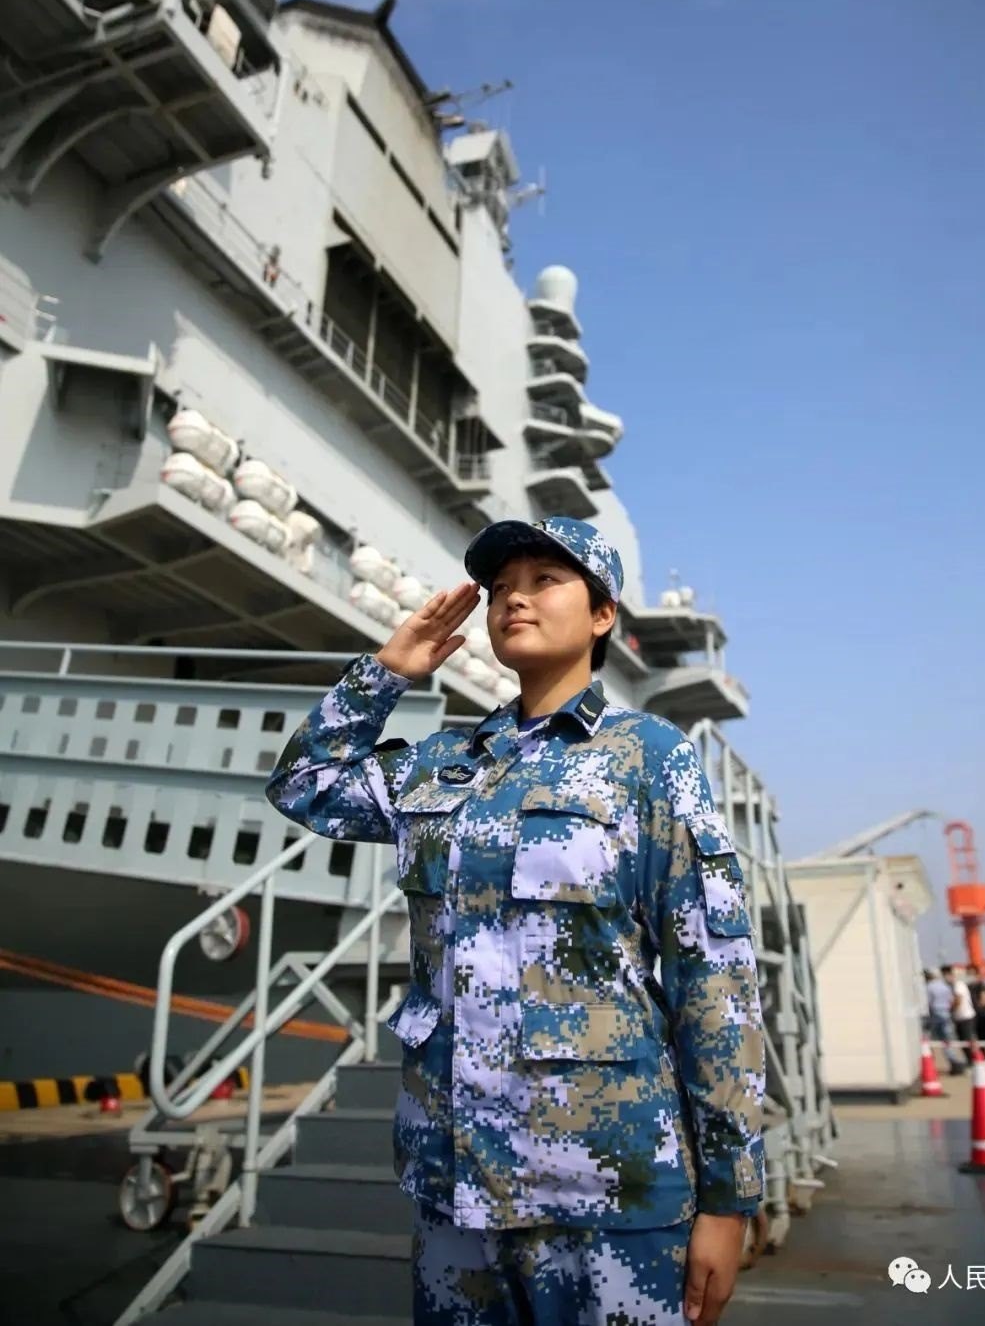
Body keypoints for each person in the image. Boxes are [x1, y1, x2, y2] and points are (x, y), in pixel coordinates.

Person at [265, 515, 765, 1326]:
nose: (514, 600)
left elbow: (713, 981)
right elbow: (304, 784)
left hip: (609, 1189)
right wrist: (386, 672)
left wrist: (728, 1199)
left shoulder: (649, 758)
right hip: (455, 1190)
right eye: (501, 587)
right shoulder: (443, 764)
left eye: (544, 581)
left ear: (602, 615)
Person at [924, 969, 964, 1075]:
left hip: (935, 1015)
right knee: (947, 1041)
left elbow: (927, 1003)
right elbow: (951, 1000)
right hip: (946, 1014)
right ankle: (954, 1062)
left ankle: (929, 1063)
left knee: (927, 1040)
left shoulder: (929, 987)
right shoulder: (944, 986)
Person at [944, 967, 977, 1065]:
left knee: (966, 1040)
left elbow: (958, 1000)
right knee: (963, 1041)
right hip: (960, 1017)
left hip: (965, 1017)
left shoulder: (958, 985)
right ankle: (970, 1060)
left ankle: (974, 1061)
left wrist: (951, 1010)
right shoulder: (954, 986)